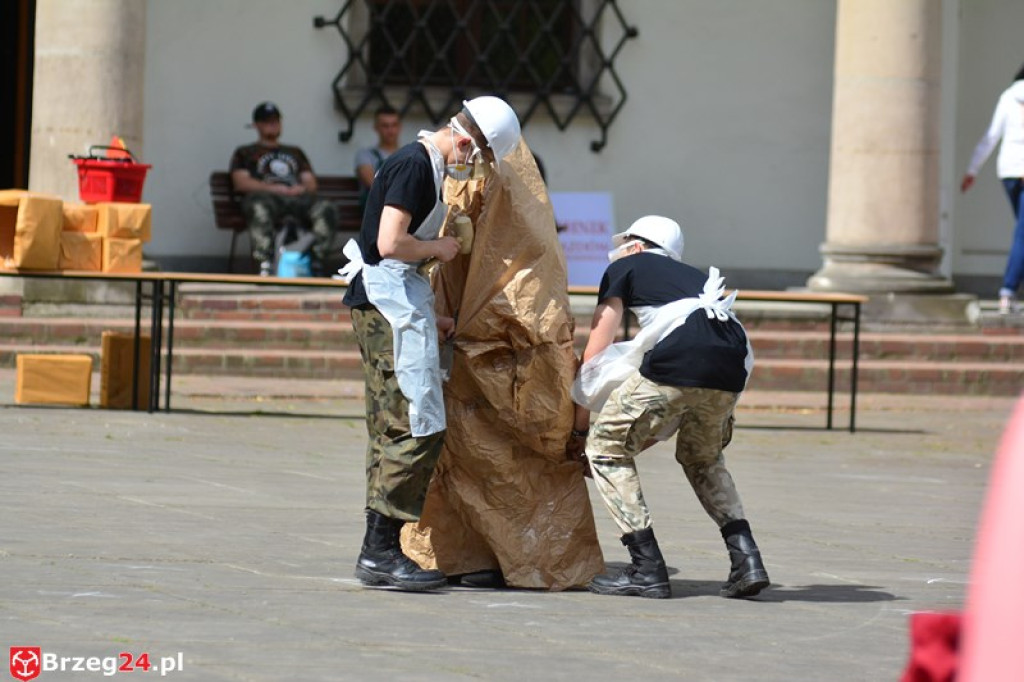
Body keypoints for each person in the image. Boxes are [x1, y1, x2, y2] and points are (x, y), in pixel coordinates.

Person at [338, 96, 522, 591]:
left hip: (393, 303)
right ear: (465, 139)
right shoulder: (417, 165)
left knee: (393, 425)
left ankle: (379, 548)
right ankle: (379, 551)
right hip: (387, 301)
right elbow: (390, 243)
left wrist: (430, 316)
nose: (473, 167)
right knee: (416, 424)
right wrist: (440, 248)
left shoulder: (421, 163)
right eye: (478, 156)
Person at [568, 215, 770, 600]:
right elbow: (668, 413)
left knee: (604, 451)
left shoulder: (625, 266)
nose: (620, 248)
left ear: (638, 245)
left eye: (625, 242)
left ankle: (646, 569)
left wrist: (582, 433)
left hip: (681, 356)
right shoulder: (691, 278)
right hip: (730, 365)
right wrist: (634, 442)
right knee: (703, 458)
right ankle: (747, 560)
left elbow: (597, 346)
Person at [229, 101, 338, 276]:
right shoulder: (245, 152)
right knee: (259, 207)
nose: (273, 124)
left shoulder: (295, 152)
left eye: (276, 120)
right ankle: (265, 261)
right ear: (256, 125)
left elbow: (311, 183)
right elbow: (241, 183)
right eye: (267, 121)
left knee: (326, 207)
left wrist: (299, 189)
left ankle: (316, 259)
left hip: (296, 198)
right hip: (265, 198)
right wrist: (272, 188)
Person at [960, 62, 1024, 314]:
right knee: (1023, 232)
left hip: (1008, 170)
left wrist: (972, 171)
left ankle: (1010, 291)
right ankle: (1008, 290)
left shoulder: (1008, 97)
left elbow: (991, 136)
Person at [355, 105, 402, 211]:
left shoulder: (409, 155)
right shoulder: (365, 155)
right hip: (378, 209)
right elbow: (374, 184)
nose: (390, 130)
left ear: (400, 127)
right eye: (385, 126)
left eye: (394, 125)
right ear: (376, 128)